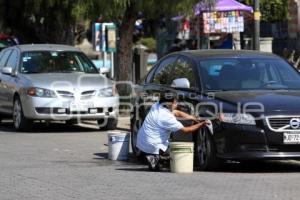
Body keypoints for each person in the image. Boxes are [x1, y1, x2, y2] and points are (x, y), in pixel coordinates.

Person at [136, 91, 209, 171]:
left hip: (141, 142)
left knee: (165, 137)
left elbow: (176, 112)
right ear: (170, 104)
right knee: (178, 149)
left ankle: (152, 155)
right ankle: (157, 158)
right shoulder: (167, 117)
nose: (176, 104)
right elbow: (186, 130)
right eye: (175, 102)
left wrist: (192, 117)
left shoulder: (156, 106)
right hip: (152, 145)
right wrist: (202, 124)